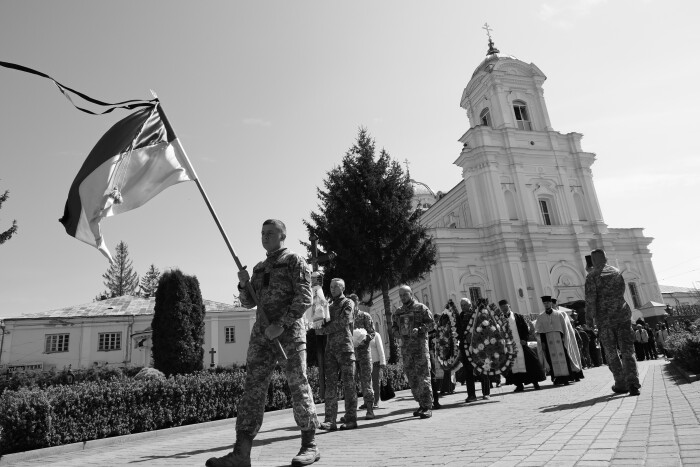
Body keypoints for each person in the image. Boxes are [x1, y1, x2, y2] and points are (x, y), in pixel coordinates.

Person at [206, 219, 319, 467]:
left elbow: (304, 297)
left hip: (288, 334)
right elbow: (248, 303)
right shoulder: (258, 268)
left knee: (298, 385)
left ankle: (309, 444)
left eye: (270, 233)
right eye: (262, 233)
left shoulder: (294, 261)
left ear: (283, 235)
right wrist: (243, 283)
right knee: (252, 392)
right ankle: (241, 453)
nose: (265, 236)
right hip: (261, 337)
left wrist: (283, 323)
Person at [585, 248, 640, 396]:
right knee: (628, 351)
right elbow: (622, 291)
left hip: (605, 320)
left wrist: (589, 319)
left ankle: (621, 383)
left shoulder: (592, 276)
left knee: (611, 353)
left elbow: (590, 300)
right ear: (606, 258)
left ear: (594, 260)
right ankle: (633, 383)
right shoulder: (616, 272)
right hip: (623, 316)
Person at [314, 278, 359, 431]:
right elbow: (322, 322)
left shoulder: (348, 303)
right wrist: (316, 322)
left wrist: (323, 330)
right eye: (331, 286)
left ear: (343, 288)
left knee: (349, 384)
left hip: (345, 348)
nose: (332, 289)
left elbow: (344, 321)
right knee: (330, 385)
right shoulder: (328, 306)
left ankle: (351, 418)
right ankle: (330, 420)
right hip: (330, 350)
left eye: (336, 286)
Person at [391, 284, 434, 419]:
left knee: (424, 378)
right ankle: (421, 404)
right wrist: (396, 332)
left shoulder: (421, 308)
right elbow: (393, 327)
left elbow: (431, 324)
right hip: (406, 350)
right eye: (401, 295)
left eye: (405, 294)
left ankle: (427, 406)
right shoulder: (398, 312)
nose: (403, 297)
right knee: (412, 378)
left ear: (411, 293)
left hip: (420, 348)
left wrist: (420, 329)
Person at [535, 296, 584, 385]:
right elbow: (540, 331)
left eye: (548, 303)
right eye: (544, 303)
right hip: (548, 341)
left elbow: (565, 329)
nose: (546, 305)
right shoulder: (541, 317)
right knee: (551, 360)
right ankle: (557, 378)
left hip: (560, 340)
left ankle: (567, 377)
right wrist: (542, 343)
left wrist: (564, 338)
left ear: (551, 303)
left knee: (564, 357)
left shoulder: (560, 314)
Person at [500, 300, 545, 392]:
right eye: (502, 308)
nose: (505, 309)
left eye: (506, 307)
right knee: (514, 366)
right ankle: (519, 385)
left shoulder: (518, 317)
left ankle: (535, 383)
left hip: (522, 345)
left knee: (531, 363)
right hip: (510, 347)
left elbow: (525, 329)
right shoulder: (500, 320)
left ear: (509, 306)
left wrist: (524, 339)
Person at [348, 294, 375, 419]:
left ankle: (370, 410)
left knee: (366, 383)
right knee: (350, 385)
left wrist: (364, 339)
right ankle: (351, 413)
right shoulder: (347, 319)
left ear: (357, 303)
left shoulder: (365, 316)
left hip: (363, 355)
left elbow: (372, 333)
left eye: (354, 302)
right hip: (351, 356)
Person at [456, 298, 478, 403]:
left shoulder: (476, 314)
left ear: (470, 305)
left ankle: (486, 392)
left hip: (477, 346)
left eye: (465, 305)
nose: (463, 307)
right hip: (465, 347)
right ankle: (471, 394)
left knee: (481, 369)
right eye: (461, 305)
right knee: (468, 371)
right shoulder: (460, 316)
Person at [368, 330, 386, 408]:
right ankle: (367, 402)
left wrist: (382, 363)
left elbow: (380, 349)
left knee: (375, 383)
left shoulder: (376, 335)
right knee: (367, 383)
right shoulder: (361, 334)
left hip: (375, 362)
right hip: (366, 362)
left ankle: (376, 401)